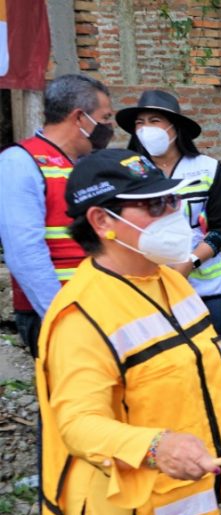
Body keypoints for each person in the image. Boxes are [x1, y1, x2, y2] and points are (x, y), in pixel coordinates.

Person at [36, 149, 221, 515]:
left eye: (172, 200)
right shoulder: (81, 314)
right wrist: (155, 446)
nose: (173, 214)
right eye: (155, 206)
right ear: (102, 221)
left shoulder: (171, 280)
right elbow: (78, 424)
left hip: (183, 513)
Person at [0, 74, 114, 357]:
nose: (108, 127)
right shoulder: (20, 162)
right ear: (80, 118)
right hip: (59, 310)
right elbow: (25, 252)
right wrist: (62, 316)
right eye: (104, 118)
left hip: (98, 304)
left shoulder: (83, 164)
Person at [118, 89, 221, 335]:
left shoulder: (207, 168)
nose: (146, 129)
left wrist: (191, 261)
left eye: (154, 121)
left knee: (208, 350)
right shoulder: (130, 172)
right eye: (140, 123)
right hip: (149, 287)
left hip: (205, 289)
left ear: (175, 127)